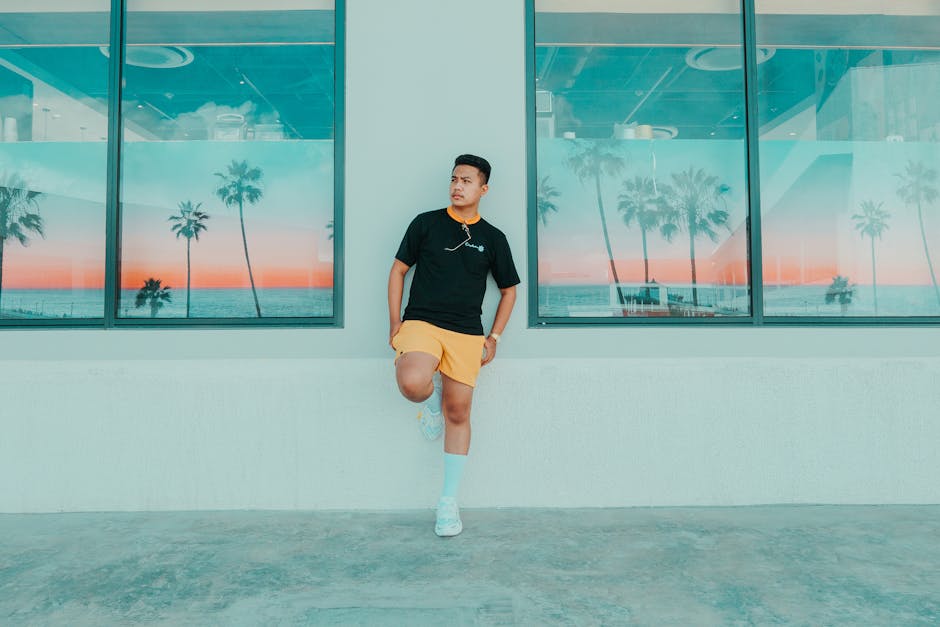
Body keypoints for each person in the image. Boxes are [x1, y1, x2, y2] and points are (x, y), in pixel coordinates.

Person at [388, 154, 519, 537]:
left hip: (466, 332)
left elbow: (509, 291)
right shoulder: (426, 223)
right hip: (421, 323)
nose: (457, 186)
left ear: (483, 189)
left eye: (466, 180)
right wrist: (395, 321)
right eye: (454, 179)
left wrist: (493, 337)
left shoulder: (493, 238)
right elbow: (398, 270)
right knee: (413, 384)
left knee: (458, 413)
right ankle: (430, 400)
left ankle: (448, 502)